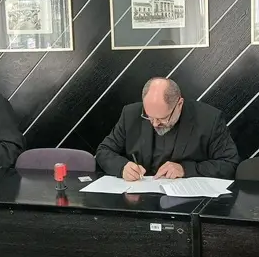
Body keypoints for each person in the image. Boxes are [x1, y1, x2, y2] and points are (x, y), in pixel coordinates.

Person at [96, 77, 240, 180]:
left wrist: (185, 169)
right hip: (138, 198)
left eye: (162, 118)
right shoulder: (131, 114)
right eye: (149, 116)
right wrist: (122, 167)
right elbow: (104, 151)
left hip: (187, 204)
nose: (154, 124)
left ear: (179, 104)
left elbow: (229, 164)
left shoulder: (209, 119)